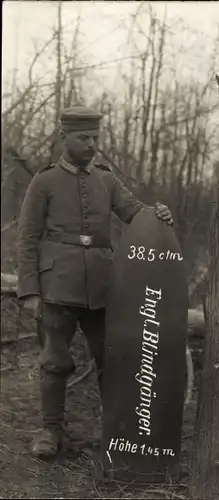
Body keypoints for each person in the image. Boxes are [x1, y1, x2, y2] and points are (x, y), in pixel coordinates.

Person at [17, 105, 174, 459]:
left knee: (112, 361)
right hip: (57, 286)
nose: (91, 145)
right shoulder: (44, 182)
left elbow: (134, 213)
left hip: (104, 290)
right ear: (63, 138)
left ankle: (117, 431)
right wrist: (29, 290)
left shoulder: (106, 179)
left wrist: (157, 215)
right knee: (54, 361)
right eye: (83, 138)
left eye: (95, 138)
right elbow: (27, 238)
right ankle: (50, 430)